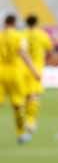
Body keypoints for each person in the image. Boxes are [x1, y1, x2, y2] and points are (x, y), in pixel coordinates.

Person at [0, 15, 40, 144]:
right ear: (14, 23)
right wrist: (34, 71)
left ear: (5, 23)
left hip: (1, 72)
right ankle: (21, 134)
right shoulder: (18, 36)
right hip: (15, 73)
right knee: (17, 105)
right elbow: (23, 54)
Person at [22, 14, 53, 133]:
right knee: (35, 96)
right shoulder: (42, 35)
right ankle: (31, 122)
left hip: (23, 68)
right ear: (36, 22)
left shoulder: (22, 34)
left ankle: (26, 120)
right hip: (36, 68)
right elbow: (50, 50)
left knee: (26, 96)